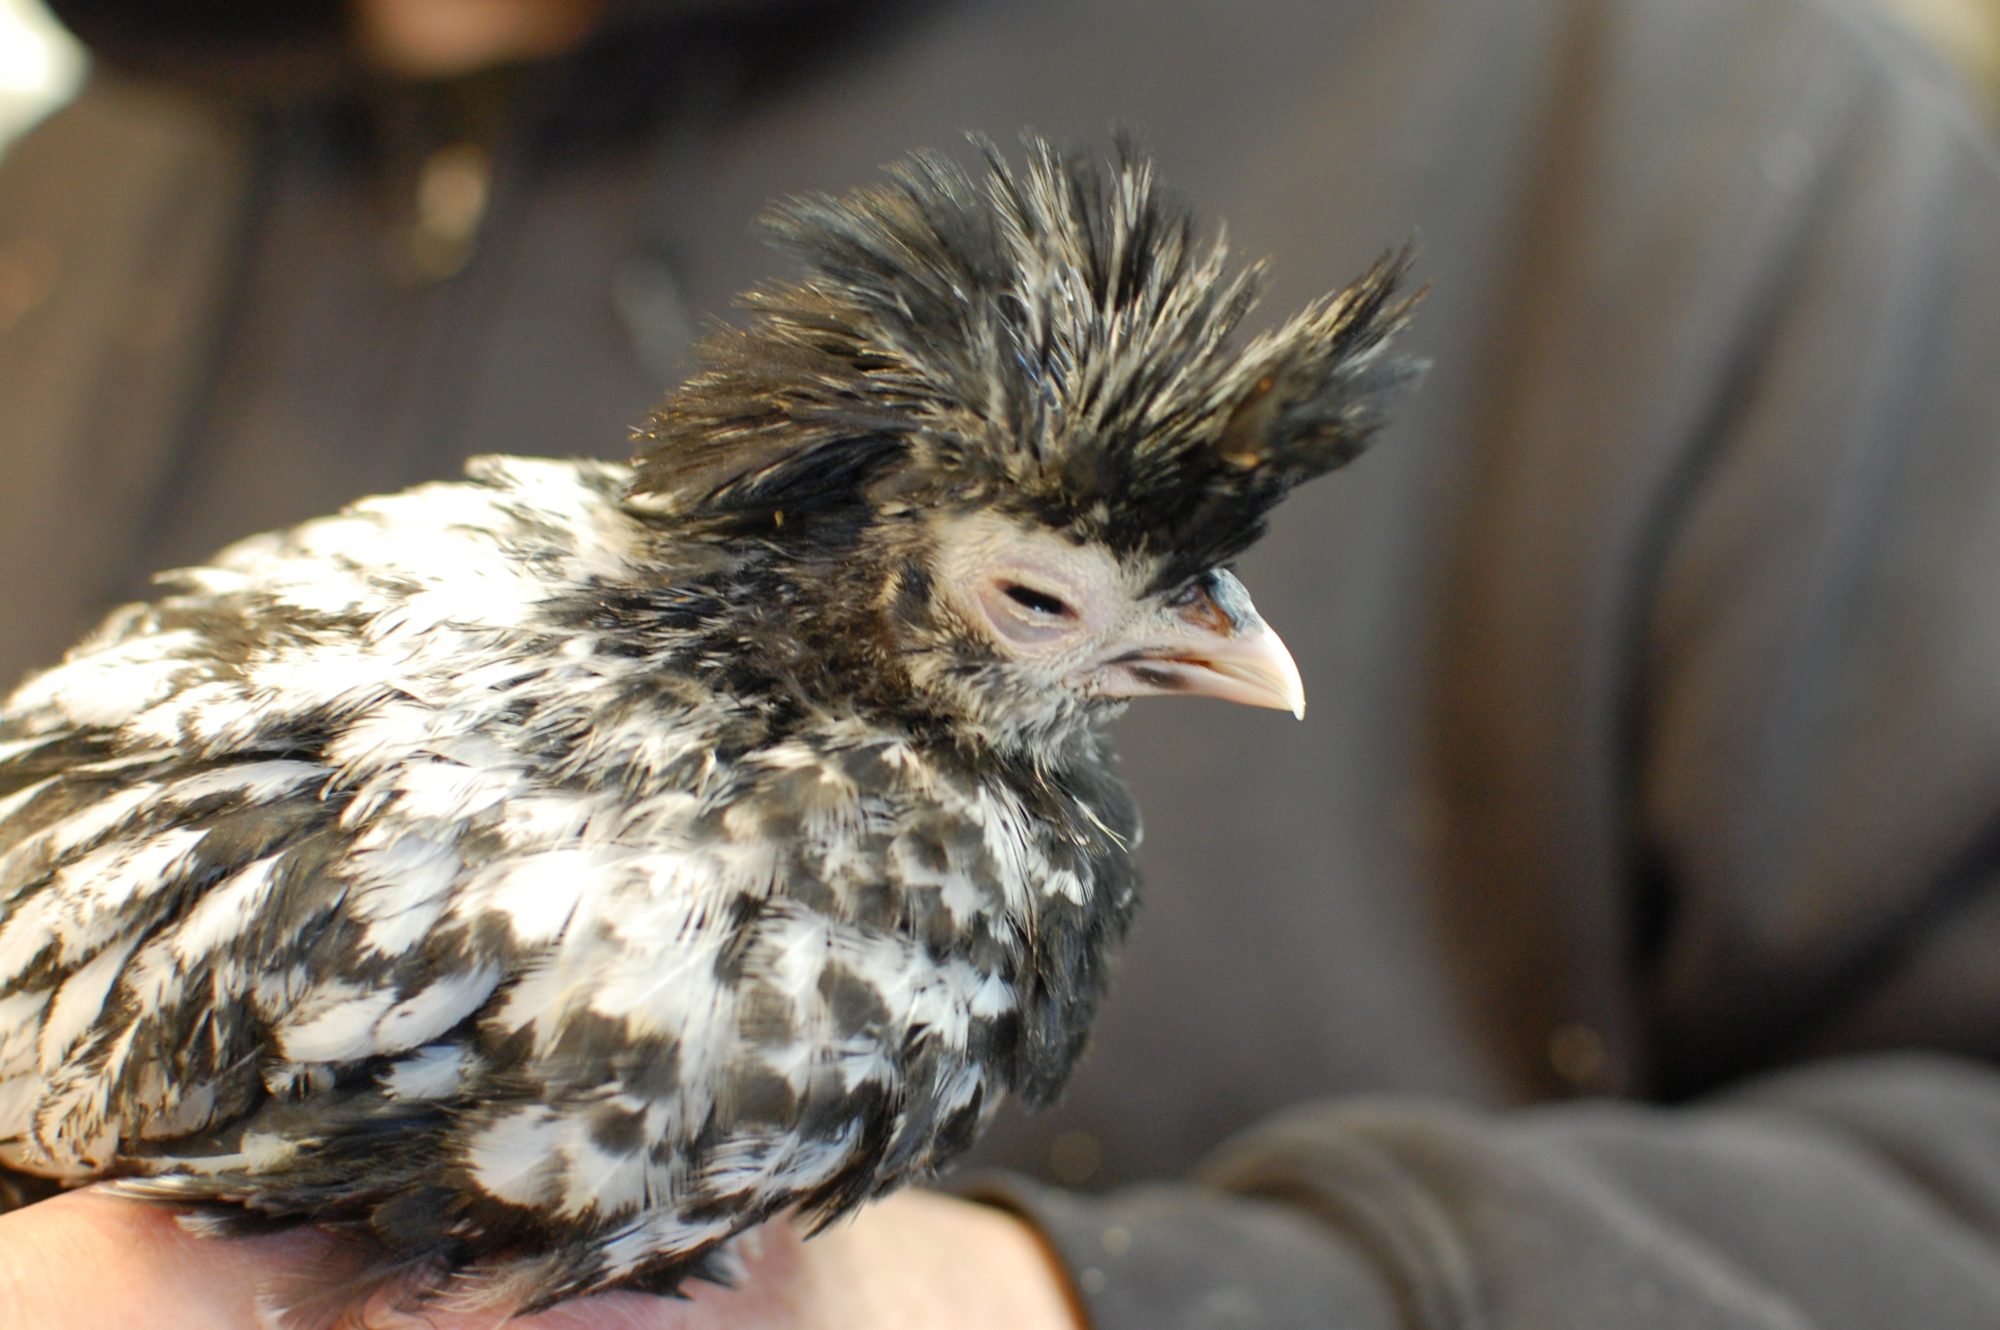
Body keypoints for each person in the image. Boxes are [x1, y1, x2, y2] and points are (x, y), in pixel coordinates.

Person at [2, 0, 1999, 1325]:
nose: (1222, 645)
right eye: (1044, 601)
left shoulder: (1700, 132)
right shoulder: (70, 192)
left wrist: (1043, 1302)